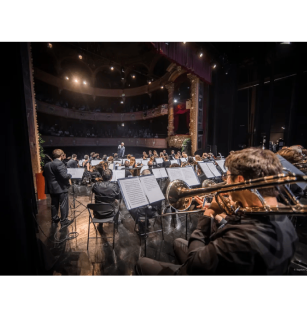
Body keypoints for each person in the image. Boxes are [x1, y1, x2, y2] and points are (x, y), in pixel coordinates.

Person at [135, 148, 298, 275]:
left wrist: (209, 214)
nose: (224, 181)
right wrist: (221, 217)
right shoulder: (283, 215)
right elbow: (241, 227)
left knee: (141, 263)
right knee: (178, 242)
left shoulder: (242, 239)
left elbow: (193, 265)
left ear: (240, 180)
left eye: (228, 177)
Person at [43, 149, 74, 228]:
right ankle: (64, 221)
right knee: (63, 204)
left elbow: (44, 174)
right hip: (60, 188)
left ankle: (55, 218)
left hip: (51, 188)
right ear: (61, 155)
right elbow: (64, 176)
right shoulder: (59, 163)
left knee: (54, 204)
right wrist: (69, 175)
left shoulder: (47, 164)